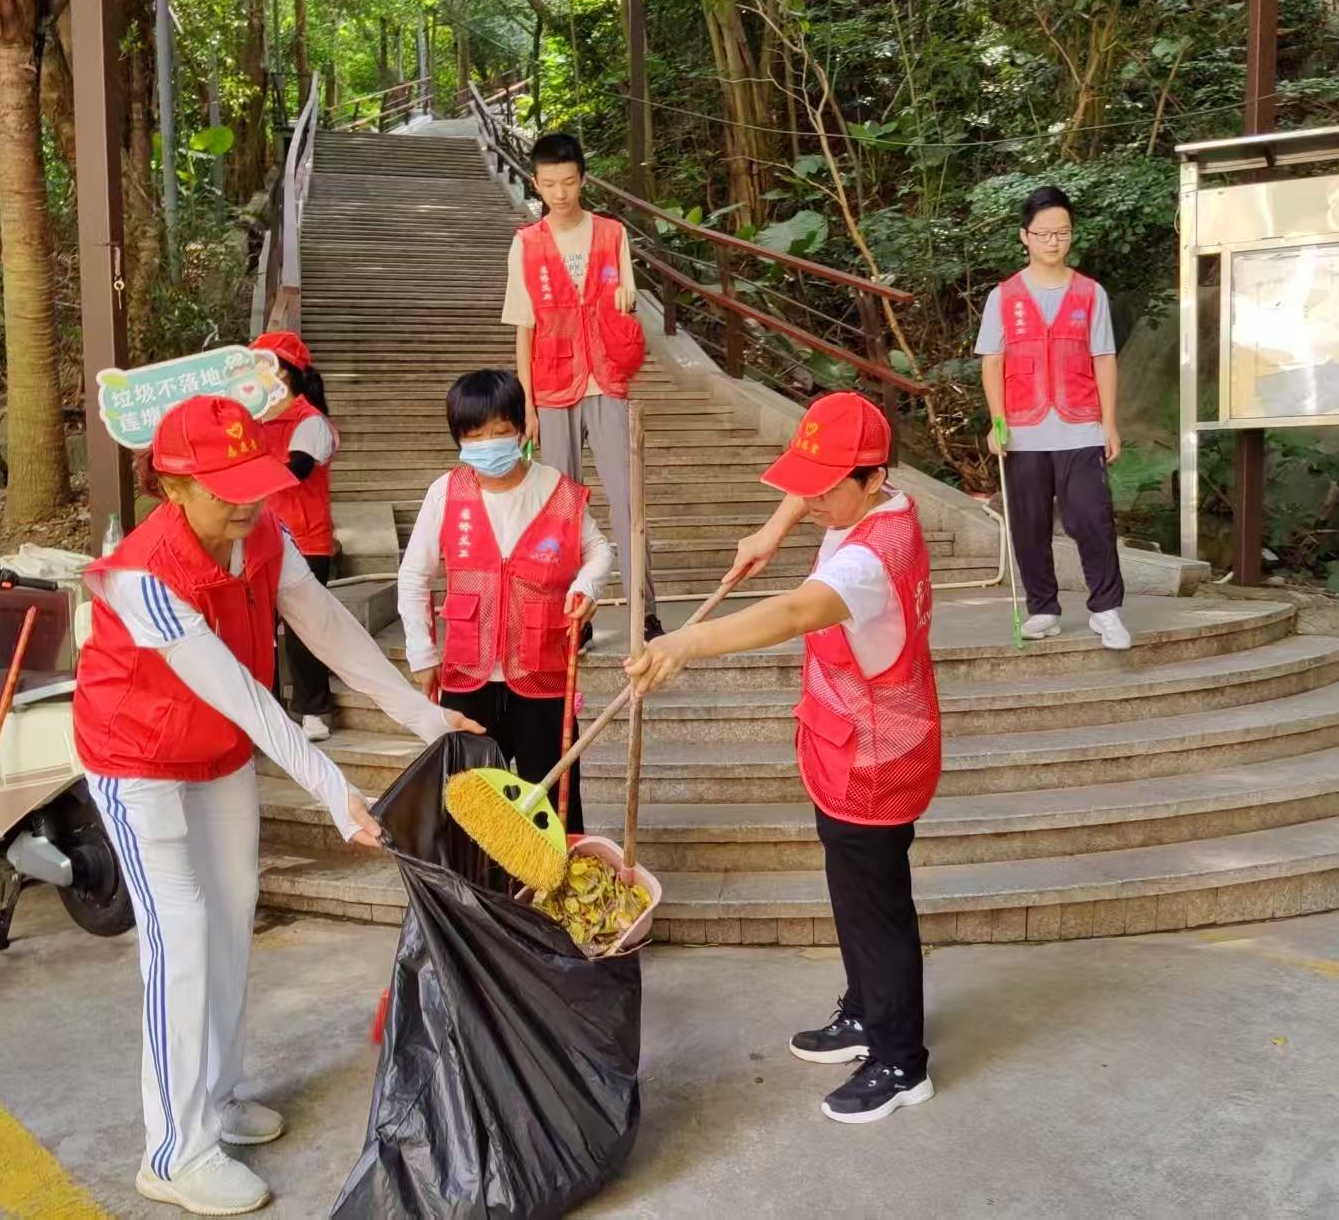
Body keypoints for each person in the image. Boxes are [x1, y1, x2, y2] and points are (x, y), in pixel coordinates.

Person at [74, 395, 483, 1216]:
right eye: (224, 489)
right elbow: (245, 695)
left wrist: (423, 715)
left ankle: (217, 1095)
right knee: (180, 933)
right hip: (137, 758)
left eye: (253, 482)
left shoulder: (262, 531)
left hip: (218, 751)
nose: (246, 502)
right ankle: (175, 1150)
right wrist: (334, 790)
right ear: (172, 486)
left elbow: (328, 627)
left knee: (233, 912)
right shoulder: (143, 575)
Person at [626, 391, 941, 1125]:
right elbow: (814, 490)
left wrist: (684, 643)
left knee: (877, 910)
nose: (814, 498)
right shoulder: (870, 503)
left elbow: (796, 610)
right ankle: (865, 1011)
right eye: (809, 483)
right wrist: (773, 527)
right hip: (846, 741)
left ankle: (901, 1061)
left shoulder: (870, 559)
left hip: (876, 756)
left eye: (828, 487)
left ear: (874, 477)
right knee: (852, 893)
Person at [397, 369, 613, 836]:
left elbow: (599, 549)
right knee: (469, 801)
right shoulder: (445, 492)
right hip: (467, 672)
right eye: (474, 436)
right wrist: (422, 655)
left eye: (499, 432)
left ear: (521, 427)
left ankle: (556, 877)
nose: (488, 445)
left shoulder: (558, 490)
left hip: (542, 670)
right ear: (459, 438)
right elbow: (414, 576)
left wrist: (587, 587)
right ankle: (475, 880)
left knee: (552, 799)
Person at [502, 130, 663, 648]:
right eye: (550, 184)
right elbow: (523, 328)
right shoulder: (527, 243)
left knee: (627, 500)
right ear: (535, 183)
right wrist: (526, 404)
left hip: (606, 379)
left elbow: (626, 301)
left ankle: (644, 611)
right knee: (562, 509)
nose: (561, 193)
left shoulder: (611, 234)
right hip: (551, 386)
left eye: (569, 182)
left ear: (583, 179)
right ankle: (576, 614)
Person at [978, 184, 1131, 650]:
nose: (1053, 241)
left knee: (1092, 518)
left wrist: (1109, 423)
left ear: (1072, 234)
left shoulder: (1090, 293)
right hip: (1023, 430)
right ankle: (1042, 608)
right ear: (1024, 236)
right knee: (1029, 524)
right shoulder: (1003, 296)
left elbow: (1104, 357)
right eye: (1043, 233)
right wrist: (997, 421)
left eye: (1062, 232)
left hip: (1080, 425)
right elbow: (992, 363)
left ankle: (1106, 610)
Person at [254, 329, 341, 740]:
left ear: (285, 373)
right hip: (257, 537)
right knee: (256, 628)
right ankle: (264, 708)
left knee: (303, 630)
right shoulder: (251, 420)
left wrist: (242, 474)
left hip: (304, 540)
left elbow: (297, 471)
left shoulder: (310, 421)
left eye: (262, 365)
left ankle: (315, 709)